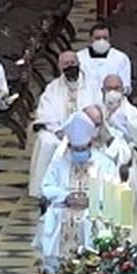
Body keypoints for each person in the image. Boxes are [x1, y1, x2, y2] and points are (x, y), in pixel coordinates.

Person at [36, 111, 118, 271]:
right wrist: (66, 197)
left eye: (83, 148)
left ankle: (92, 268)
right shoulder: (59, 162)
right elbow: (46, 187)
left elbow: (112, 192)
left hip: (93, 210)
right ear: (69, 146)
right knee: (55, 218)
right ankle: (56, 268)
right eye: (75, 149)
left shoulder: (104, 163)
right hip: (64, 207)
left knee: (88, 220)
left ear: (91, 143)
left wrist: (92, 200)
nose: (79, 152)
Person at [28, 50, 97, 198]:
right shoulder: (53, 88)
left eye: (73, 63)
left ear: (79, 64)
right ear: (60, 68)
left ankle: (91, 189)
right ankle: (43, 191)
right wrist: (59, 131)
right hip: (59, 133)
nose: (70, 67)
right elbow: (45, 113)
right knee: (45, 141)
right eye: (66, 64)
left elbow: (98, 111)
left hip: (87, 133)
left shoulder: (93, 85)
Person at [99, 74, 137, 212]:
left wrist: (121, 120)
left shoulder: (130, 111)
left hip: (124, 154)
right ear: (102, 90)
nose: (112, 92)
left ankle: (127, 214)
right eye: (109, 88)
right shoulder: (97, 108)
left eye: (116, 88)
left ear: (122, 90)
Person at [76, 21, 132, 93]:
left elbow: (126, 86)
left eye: (105, 38)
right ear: (90, 39)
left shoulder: (121, 58)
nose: (101, 41)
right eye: (97, 38)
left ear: (110, 39)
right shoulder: (79, 58)